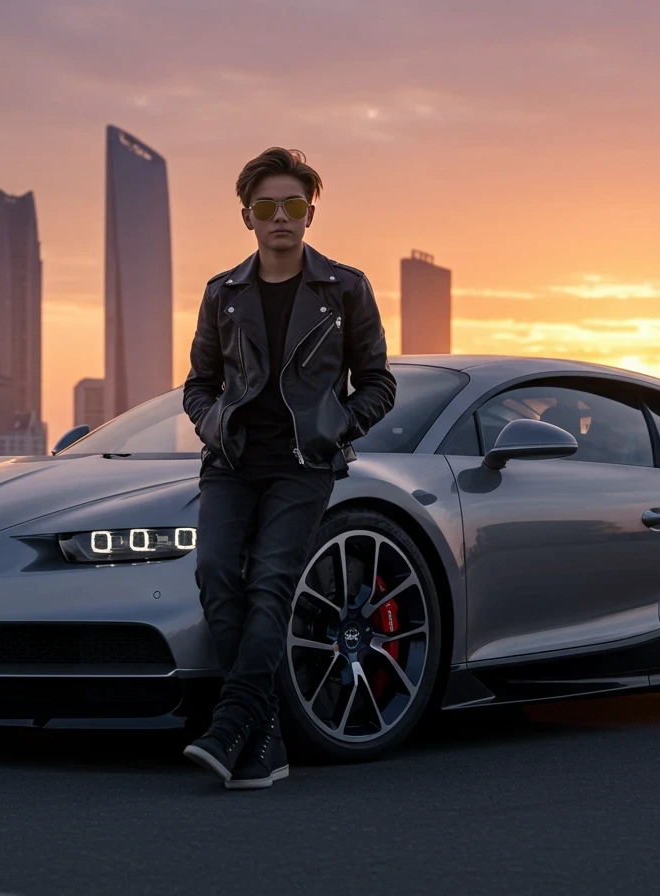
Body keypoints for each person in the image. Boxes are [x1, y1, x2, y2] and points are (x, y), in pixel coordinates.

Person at [180, 147, 396, 789]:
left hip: (304, 466)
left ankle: (229, 726)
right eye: (267, 207)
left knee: (271, 582)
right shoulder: (223, 294)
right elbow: (198, 383)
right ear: (246, 216)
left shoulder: (345, 288)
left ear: (310, 214)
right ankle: (264, 738)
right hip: (232, 462)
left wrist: (339, 429)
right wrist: (214, 423)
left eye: (294, 206)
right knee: (217, 574)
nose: (282, 217)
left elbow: (378, 382)